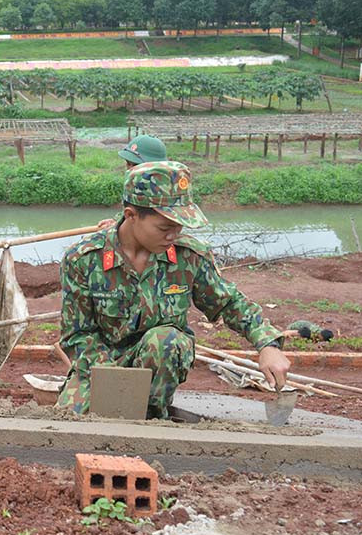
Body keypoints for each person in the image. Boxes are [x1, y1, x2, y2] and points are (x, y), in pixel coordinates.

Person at [57, 161, 290, 419]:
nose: (173, 236)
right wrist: (116, 383)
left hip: (159, 361)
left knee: (165, 340)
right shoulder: (84, 259)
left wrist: (268, 345)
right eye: (165, 228)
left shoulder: (188, 255)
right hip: (99, 364)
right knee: (72, 423)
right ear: (131, 215)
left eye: (179, 227)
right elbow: (77, 335)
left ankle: (154, 415)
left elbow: (229, 302)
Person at [97, 135, 168, 230]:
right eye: (128, 163)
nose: (130, 170)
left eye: (136, 165)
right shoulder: (135, 185)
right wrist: (118, 221)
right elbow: (135, 210)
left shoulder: (167, 192)